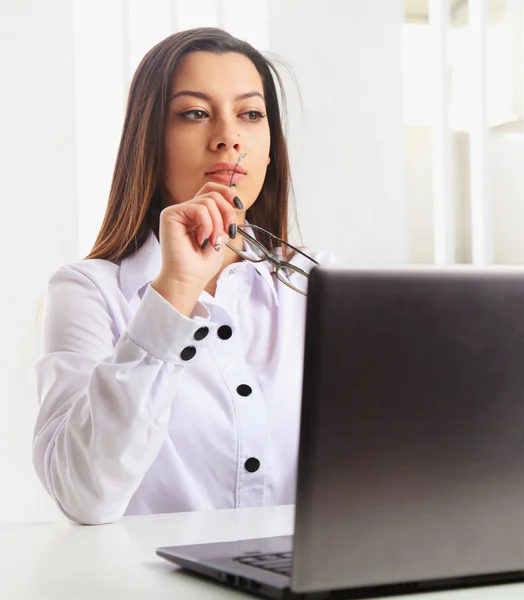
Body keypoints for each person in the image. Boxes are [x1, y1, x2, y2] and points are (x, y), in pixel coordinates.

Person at [32, 27, 334, 525]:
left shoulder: (319, 282)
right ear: (148, 142)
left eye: (250, 114)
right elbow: (84, 495)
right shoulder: (87, 292)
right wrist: (175, 291)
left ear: (270, 150)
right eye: (195, 113)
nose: (228, 137)